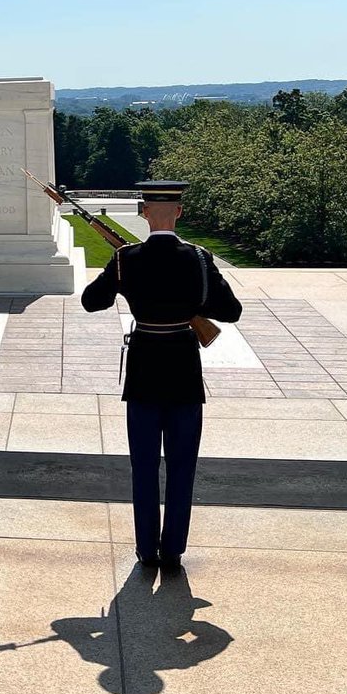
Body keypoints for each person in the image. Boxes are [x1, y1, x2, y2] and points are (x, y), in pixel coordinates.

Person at [81, 180, 241, 570]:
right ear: (180, 212)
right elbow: (231, 311)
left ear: (143, 211)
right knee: (183, 464)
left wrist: (120, 273)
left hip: (144, 370)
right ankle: (173, 550)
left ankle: (145, 549)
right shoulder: (200, 259)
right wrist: (190, 302)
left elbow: (91, 302)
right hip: (184, 369)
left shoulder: (127, 259)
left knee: (144, 464)